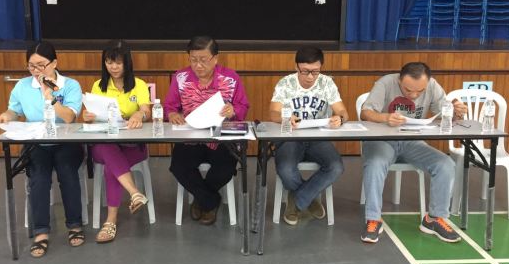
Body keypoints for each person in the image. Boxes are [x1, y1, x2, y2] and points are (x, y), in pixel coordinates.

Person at [359, 61, 467, 244]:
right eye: (408, 90)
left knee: (445, 164)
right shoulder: (385, 83)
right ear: (399, 80)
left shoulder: (432, 86)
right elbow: (365, 113)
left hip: (412, 140)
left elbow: (445, 114)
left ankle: (434, 219)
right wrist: (385, 117)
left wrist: (457, 113)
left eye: (420, 91)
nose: (414, 95)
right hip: (382, 140)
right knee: (375, 164)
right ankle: (373, 219)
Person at [0, 41, 85, 258]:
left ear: (54, 63)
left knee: (67, 173)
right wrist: (6, 116)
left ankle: (74, 225)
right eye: (31, 66)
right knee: (39, 178)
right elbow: (14, 110)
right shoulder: (23, 86)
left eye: (41, 65)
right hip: (37, 142)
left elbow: (69, 117)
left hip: (66, 142)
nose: (36, 71)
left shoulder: (70, 85)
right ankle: (41, 232)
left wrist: (51, 98)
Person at [165, 36, 249, 225]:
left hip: (221, 138)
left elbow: (243, 106)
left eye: (203, 60)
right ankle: (210, 201)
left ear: (215, 58)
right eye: (193, 59)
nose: (198, 65)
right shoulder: (180, 77)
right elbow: (169, 106)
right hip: (191, 137)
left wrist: (234, 110)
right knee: (179, 166)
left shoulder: (230, 78)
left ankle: (201, 199)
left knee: (226, 167)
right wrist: (172, 114)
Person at [269, 47, 348, 225]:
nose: (310, 77)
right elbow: (273, 113)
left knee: (336, 166)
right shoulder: (285, 83)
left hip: (318, 137)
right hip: (290, 137)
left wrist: (340, 118)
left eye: (315, 71)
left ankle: (297, 200)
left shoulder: (327, 83)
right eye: (305, 71)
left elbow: (343, 111)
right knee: (285, 169)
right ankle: (310, 199)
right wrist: (285, 118)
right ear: (296, 67)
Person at [83, 42, 152, 243]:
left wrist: (139, 114)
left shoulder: (138, 84)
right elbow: (92, 115)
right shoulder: (98, 85)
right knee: (108, 149)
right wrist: (88, 116)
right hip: (104, 144)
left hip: (133, 146)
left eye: (118, 63)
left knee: (111, 167)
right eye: (109, 62)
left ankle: (110, 222)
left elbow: (146, 110)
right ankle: (134, 193)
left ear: (127, 63)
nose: (113, 67)